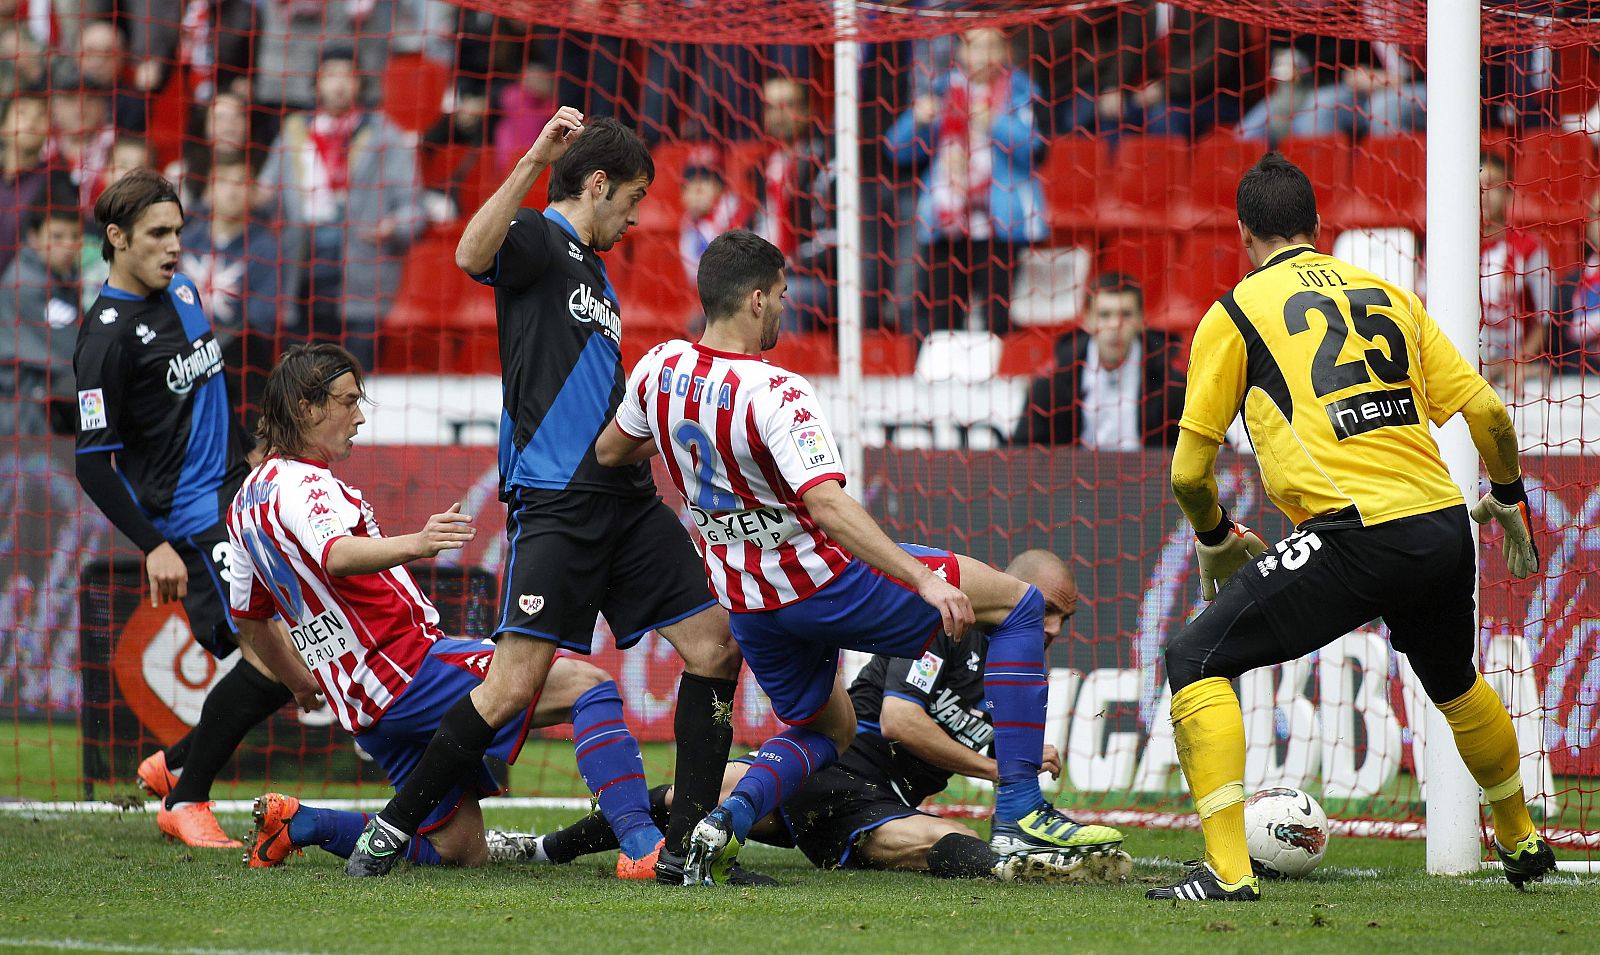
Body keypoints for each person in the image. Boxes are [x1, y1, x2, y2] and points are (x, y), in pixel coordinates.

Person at [595, 229, 1124, 885]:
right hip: (827, 584)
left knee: (831, 728)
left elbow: (612, 452)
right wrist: (923, 579)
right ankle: (1021, 809)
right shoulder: (777, 392)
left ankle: (723, 821)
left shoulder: (658, 369)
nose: (786, 308)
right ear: (757, 300)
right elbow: (829, 506)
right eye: (784, 295)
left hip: (751, 606)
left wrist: (695, 449)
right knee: (1018, 605)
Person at [342, 109, 752, 887]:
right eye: (630, 200)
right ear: (596, 185)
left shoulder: (594, 274)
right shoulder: (535, 238)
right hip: (559, 503)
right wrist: (533, 156)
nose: (635, 219)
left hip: (627, 501)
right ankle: (395, 823)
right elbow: (468, 251)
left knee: (716, 644)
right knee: (512, 684)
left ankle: (689, 852)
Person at [1146, 153, 1555, 902]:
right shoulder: (1389, 293)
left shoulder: (1236, 312)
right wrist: (1508, 493)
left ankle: (1229, 873)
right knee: (1454, 680)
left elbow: (1185, 472)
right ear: (1318, 228)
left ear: (1243, 234)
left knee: (1194, 656)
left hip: (1356, 533)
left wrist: (1214, 535)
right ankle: (1523, 839)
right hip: (1440, 523)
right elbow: (1490, 413)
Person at [230, 343, 665, 876]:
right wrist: (421, 541)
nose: (359, 415)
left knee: (460, 850)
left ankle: (305, 823)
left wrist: (299, 683)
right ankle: (645, 847)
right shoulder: (306, 484)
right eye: (346, 402)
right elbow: (337, 555)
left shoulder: (245, 503)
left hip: (364, 707)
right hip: (408, 670)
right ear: (305, 408)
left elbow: (248, 617)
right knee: (586, 686)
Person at [523, 550, 1134, 883]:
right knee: (694, 795)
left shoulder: (1015, 668)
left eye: (1063, 620)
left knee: (945, 839)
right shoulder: (952, 622)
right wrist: (996, 770)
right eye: (1047, 611)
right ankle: (547, 850)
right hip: (836, 770)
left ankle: (1020, 866)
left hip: (873, 803)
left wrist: (1017, 761)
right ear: (1011, 587)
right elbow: (899, 719)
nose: (1051, 628)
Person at [72, 169, 293, 848]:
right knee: (279, 662)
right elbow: (91, 463)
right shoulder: (104, 340)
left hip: (234, 499)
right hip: (190, 527)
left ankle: (173, 768)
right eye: (159, 234)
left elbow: (203, 396)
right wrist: (153, 546)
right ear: (116, 238)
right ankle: (187, 795)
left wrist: (247, 457)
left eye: (178, 231)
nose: (174, 246)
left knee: (288, 659)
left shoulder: (188, 291)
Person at [259, 45, 423, 371]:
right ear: (316, 83)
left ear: (360, 83)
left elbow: (414, 209)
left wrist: (393, 226)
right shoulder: (293, 133)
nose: (338, 84)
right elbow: (266, 195)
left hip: (361, 276)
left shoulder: (385, 136)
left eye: (346, 76)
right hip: (300, 275)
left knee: (357, 383)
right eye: (329, 75)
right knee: (303, 381)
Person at [885, 27, 1046, 341]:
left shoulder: (1021, 91)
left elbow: (1036, 150)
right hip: (947, 222)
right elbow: (897, 151)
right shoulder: (942, 92)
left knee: (997, 317)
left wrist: (994, 121)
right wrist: (917, 120)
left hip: (999, 223)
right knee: (942, 316)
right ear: (960, 53)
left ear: (1005, 52)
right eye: (975, 47)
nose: (984, 56)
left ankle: (1000, 382)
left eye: (992, 46)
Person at [181, 151, 297, 418]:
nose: (231, 192)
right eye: (223, 182)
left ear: (254, 192)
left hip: (237, 370)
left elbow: (261, 320)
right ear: (209, 189)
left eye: (240, 183)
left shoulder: (267, 247)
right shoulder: (184, 239)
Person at [1010, 273, 1185, 448]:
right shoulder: (1053, 381)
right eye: (1104, 315)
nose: (1115, 325)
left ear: (1141, 319)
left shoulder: (1171, 383)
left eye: (1126, 314)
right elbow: (1026, 452)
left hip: (1150, 474)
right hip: (1076, 474)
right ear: (1088, 320)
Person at [0, 205, 80, 436]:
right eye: (57, 236)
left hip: (43, 408)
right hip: (20, 417)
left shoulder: (61, 275)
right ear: (34, 237)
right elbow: (71, 353)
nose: (68, 246)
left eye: (75, 236)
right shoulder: (25, 284)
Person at [1479, 150, 1552, 391]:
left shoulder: (1530, 248)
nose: (1484, 195)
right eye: (1478, 186)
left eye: (1493, 186)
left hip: (1513, 369)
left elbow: (1545, 318)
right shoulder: (1444, 250)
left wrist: (1520, 362)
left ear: (1508, 193)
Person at [2, 92, 75, 276]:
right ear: (3, 125)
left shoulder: (57, 180)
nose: (32, 121)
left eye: (41, 114)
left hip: (28, 293)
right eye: (23, 112)